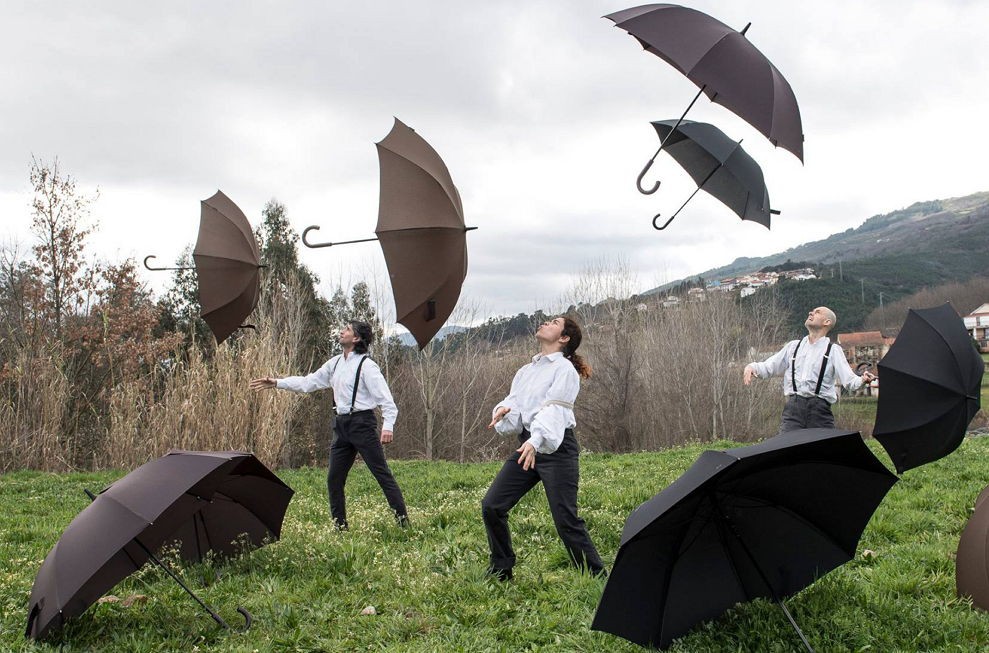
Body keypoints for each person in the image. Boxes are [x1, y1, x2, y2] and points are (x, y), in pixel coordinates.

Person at [250, 320, 408, 530]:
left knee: (382, 474)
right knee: (334, 480)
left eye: (347, 330)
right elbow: (308, 383)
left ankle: (403, 522)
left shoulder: (367, 366)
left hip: (362, 424)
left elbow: (386, 401)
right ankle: (340, 527)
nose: (342, 332)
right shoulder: (334, 363)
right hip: (341, 426)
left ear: (357, 338)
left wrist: (388, 426)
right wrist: (278, 383)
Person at [482, 315, 605, 581]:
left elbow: (554, 410)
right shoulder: (526, 371)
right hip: (527, 446)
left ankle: (598, 576)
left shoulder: (564, 371)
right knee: (492, 505)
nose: (545, 323)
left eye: (554, 322)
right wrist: (504, 411)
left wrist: (536, 441)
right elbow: (515, 403)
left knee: (566, 521)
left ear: (564, 338)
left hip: (556, 448)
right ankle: (501, 569)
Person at [743, 306, 876, 433]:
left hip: (820, 412)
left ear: (827, 322)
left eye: (817, 312)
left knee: (821, 452)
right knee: (786, 450)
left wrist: (862, 380)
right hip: (793, 410)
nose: (810, 313)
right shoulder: (793, 347)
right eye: (812, 311)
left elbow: (849, 381)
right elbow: (769, 366)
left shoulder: (833, 350)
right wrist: (752, 367)